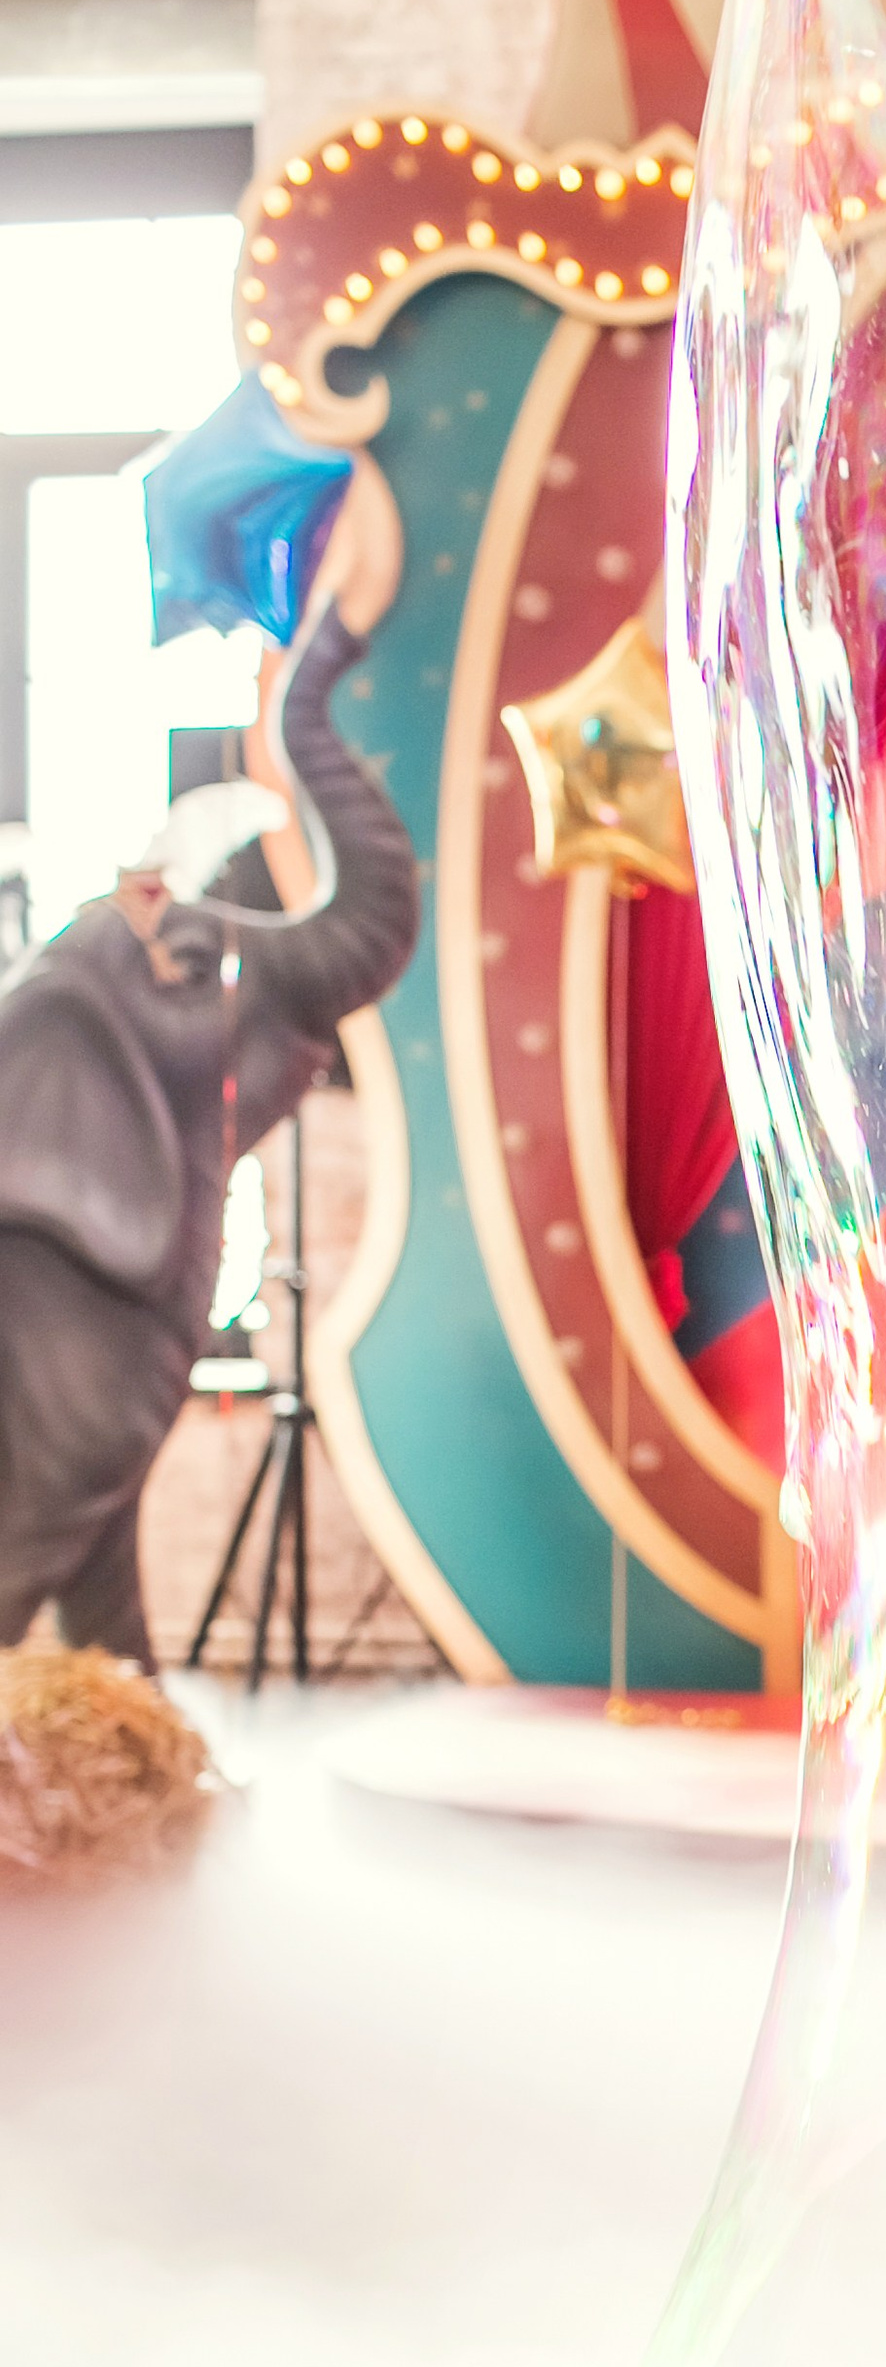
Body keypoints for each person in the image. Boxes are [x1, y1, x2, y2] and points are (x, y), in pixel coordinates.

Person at [0, 464, 414, 1670]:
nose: (231, 968)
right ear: (85, 1086)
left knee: (86, 1530)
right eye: (190, 971)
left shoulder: (95, 1300)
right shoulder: (61, 1289)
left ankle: (126, 1748)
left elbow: (83, 1536)